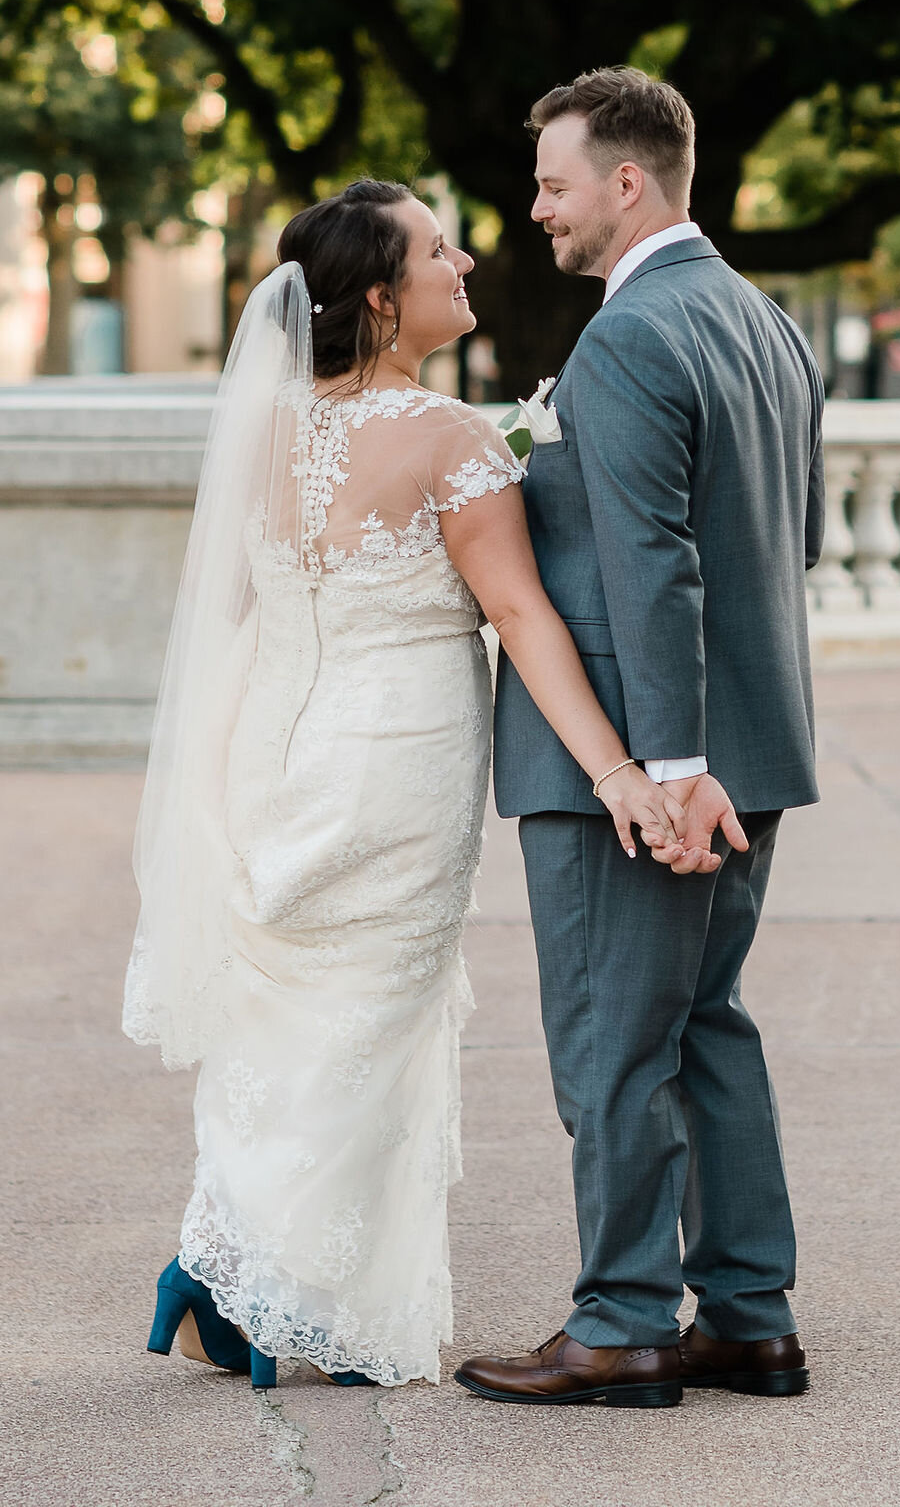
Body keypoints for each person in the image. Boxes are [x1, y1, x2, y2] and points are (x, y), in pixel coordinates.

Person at [123, 178, 680, 1391]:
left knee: (286, 1011)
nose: (467, 261)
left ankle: (226, 1266)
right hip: (395, 760)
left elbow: (226, 620)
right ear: (382, 297)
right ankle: (253, 1276)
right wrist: (619, 769)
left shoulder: (258, 431)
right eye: (439, 251)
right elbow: (523, 617)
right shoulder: (450, 441)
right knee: (372, 1021)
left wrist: (212, 775)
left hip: (273, 744)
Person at [453, 66, 825, 1411]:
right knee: (704, 1025)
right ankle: (748, 1315)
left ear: (628, 181)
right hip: (758, 744)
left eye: (553, 185)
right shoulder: (768, 327)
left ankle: (620, 1323)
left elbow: (656, 563)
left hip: (643, 763)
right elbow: (796, 546)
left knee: (615, 1037)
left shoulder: (626, 340)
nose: (536, 211)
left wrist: (664, 769)